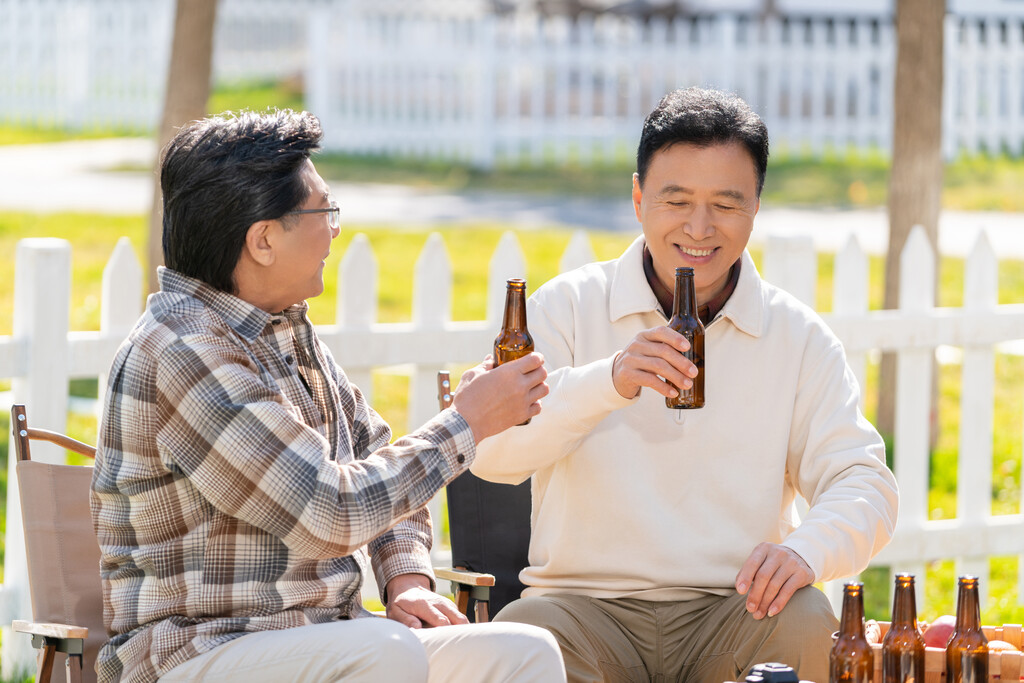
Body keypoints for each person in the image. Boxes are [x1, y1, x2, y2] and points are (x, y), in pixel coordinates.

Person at [89, 110, 564, 683]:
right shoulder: (185, 352)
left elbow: (382, 458)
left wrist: (404, 577)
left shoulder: (283, 327)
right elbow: (331, 511)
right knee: (384, 651)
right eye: (324, 210)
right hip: (198, 653)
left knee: (524, 651)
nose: (336, 229)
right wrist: (467, 422)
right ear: (263, 239)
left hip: (326, 638)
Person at [471, 87, 899, 683]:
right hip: (581, 609)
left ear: (756, 206)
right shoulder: (566, 308)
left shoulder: (798, 335)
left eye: (727, 203)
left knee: (808, 623)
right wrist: (611, 380)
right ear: (639, 198)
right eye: (676, 201)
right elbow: (493, 457)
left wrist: (806, 551)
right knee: (520, 639)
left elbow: (865, 482)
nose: (700, 227)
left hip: (738, 610)